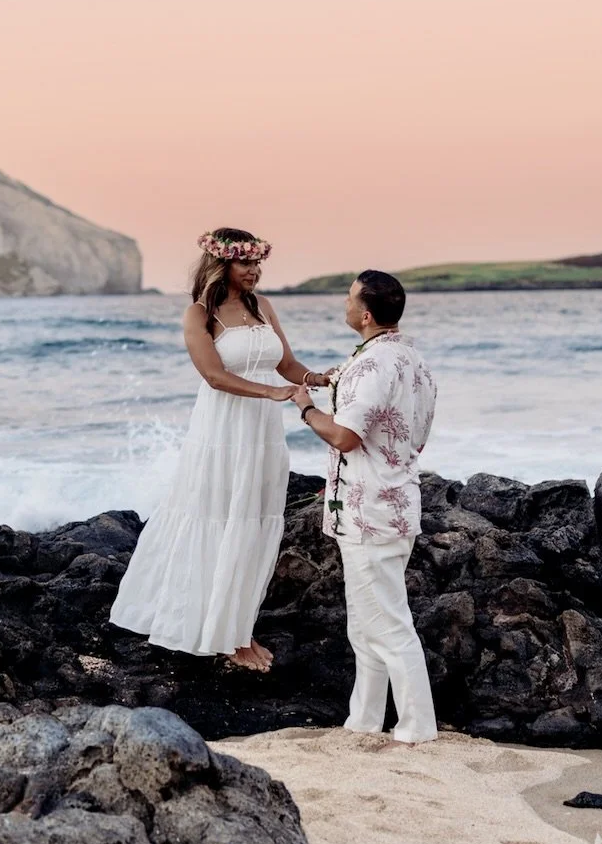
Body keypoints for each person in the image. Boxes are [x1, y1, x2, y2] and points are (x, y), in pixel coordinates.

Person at [110, 227, 335, 671]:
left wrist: (319, 378)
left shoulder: (263, 306)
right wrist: (271, 393)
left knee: (251, 525)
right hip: (221, 432)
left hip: (262, 434)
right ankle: (225, 637)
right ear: (222, 264)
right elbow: (213, 375)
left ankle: (239, 627)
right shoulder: (199, 314)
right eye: (246, 263)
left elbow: (285, 365)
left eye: (257, 263)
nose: (254, 271)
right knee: (219, 521)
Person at [290, 269, 439, 742]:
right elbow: (408, 437)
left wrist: (305, 408)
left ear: (367, 314)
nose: (345, 303)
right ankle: (365, 721)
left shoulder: (374, 365)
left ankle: (417, 729)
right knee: (367, 625)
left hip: (371, 513)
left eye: (350, 298)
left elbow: (345, 435)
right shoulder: (413, 360)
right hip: (392, 501)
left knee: (389, 626)